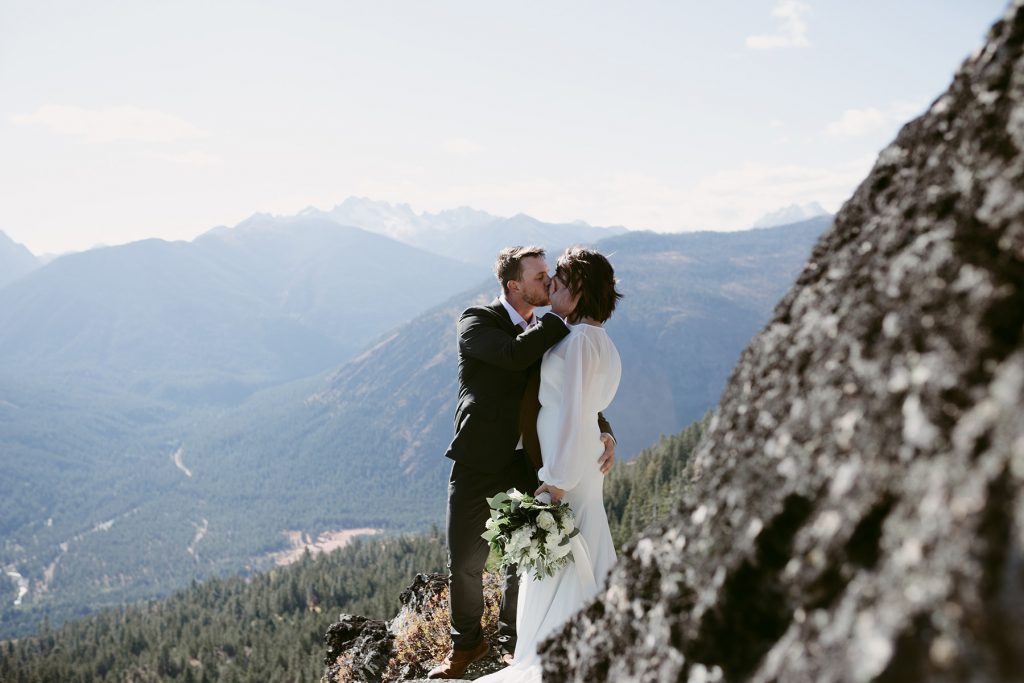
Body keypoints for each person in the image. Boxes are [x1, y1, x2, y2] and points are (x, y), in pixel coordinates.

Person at [428, 246, 616, 680]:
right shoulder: (477, 322)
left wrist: (603, 429)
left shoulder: (556, 334)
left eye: (552, 275)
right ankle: (467, 646)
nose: (548, 282)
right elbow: (514, 356)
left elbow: (576, 392)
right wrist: (560, 319)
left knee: (523, 556)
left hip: (529, 461)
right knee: (466, 558)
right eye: (539, 276)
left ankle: (517, 642)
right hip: (479, 459)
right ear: (514, 285)